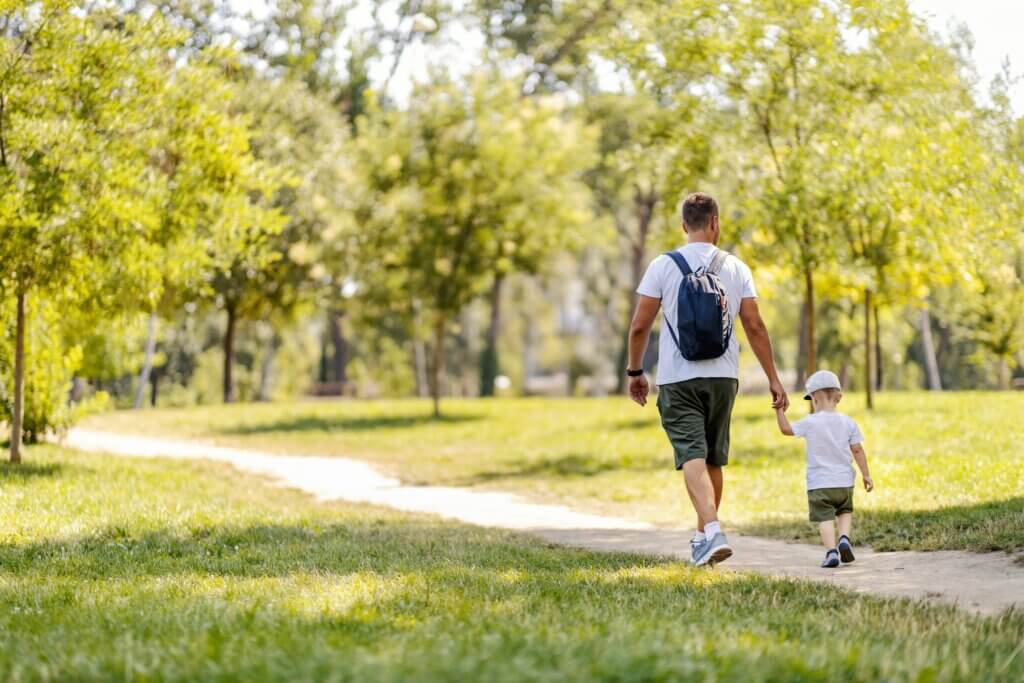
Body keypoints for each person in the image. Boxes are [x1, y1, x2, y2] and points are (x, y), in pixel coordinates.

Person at [626, 192, 788, 566]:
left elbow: (639, 327)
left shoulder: (662, 265)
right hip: (723, 377)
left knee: (691, 455)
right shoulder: (736, 267)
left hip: (678, 378)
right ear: (715, 222)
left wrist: (636, 372)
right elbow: (755, 326)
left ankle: (712, 529)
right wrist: (773, 379)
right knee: (712, 458)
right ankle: (703, 538)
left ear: (685, 226)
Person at [774, 370, 874, 568]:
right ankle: (844, 538)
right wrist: (866, 475)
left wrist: (779, 410)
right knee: (844, 511)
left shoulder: (810, 422)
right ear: (839, 397)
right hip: (844, 482)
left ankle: (831, 551)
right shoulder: (848, 422)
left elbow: (786, 430)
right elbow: (857, 450)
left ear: (813, 398)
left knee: (825, 518)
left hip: (820, 483)